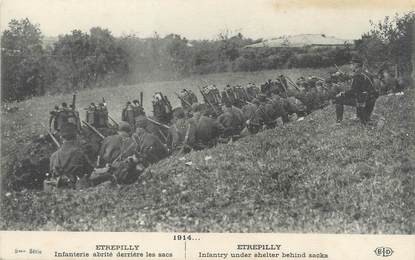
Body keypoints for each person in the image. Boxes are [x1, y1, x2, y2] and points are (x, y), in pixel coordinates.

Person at [334, 56, 379, 124]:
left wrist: (342, 93)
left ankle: (338, 122)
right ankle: (361, 116)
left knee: (338, 98)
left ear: (355, 65)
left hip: (364, 102)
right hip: (371, 101)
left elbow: (353, 91)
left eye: (351, 64)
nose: (350, 66)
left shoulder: (358, 75)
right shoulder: (367, 73)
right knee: (360, 95)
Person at [49, 123, 93, 188]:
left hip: (58, 190)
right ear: (76, 136)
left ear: (61, 137)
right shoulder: (79, 153)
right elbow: (90, 170)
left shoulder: (54, 156)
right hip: (77, 189)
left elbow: (52, 173)